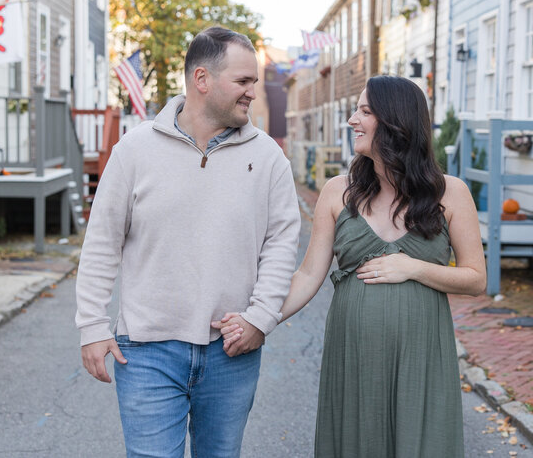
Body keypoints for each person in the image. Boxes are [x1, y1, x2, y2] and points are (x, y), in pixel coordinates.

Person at [217, 75, 486, 457]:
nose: (351, 120)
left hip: (422, 356)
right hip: (355, 355)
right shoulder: (338, 192)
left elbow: (476, 279)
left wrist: (413, 268)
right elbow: (309, 276)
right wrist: (257, 319)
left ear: (395, 121)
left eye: (364, 111)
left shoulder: (450, 192)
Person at [75, 26, 301, 458]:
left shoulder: (269, 157)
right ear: (202, 80)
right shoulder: (134, 151)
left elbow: (280, 245)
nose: (253, 92)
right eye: (243, 81)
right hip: (146, 353)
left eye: (253, 82)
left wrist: (261, 318)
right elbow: (102, 243)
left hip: (231, 351)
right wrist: (91, 325)